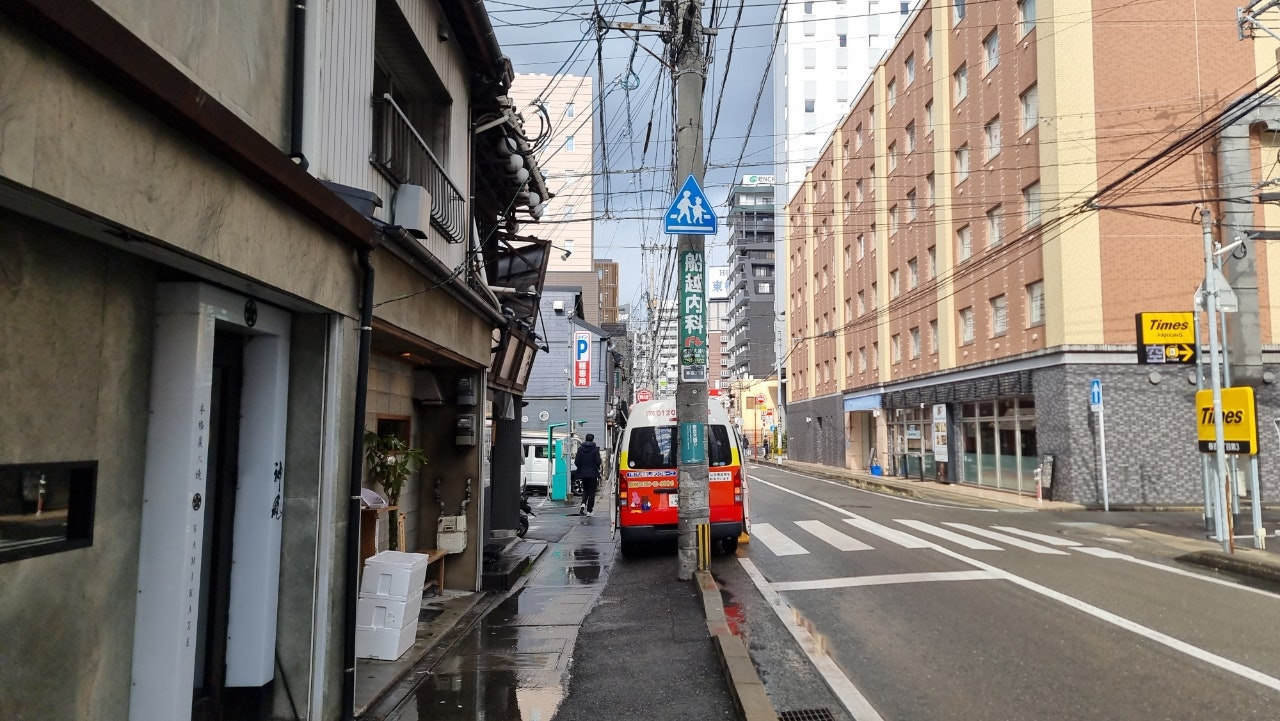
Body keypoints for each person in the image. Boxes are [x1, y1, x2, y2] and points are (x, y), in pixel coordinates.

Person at [573, 432, 603, 516]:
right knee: (592, 492)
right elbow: (598, 461)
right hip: (593, 473)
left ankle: (583, 504)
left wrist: (581, 467)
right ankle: (589, 510)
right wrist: (597, 466)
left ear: (586, 439)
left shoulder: (580, 449)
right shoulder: (595, 449)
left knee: (585, 489)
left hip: (583, 474)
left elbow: (576, 462)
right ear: (592, 439)